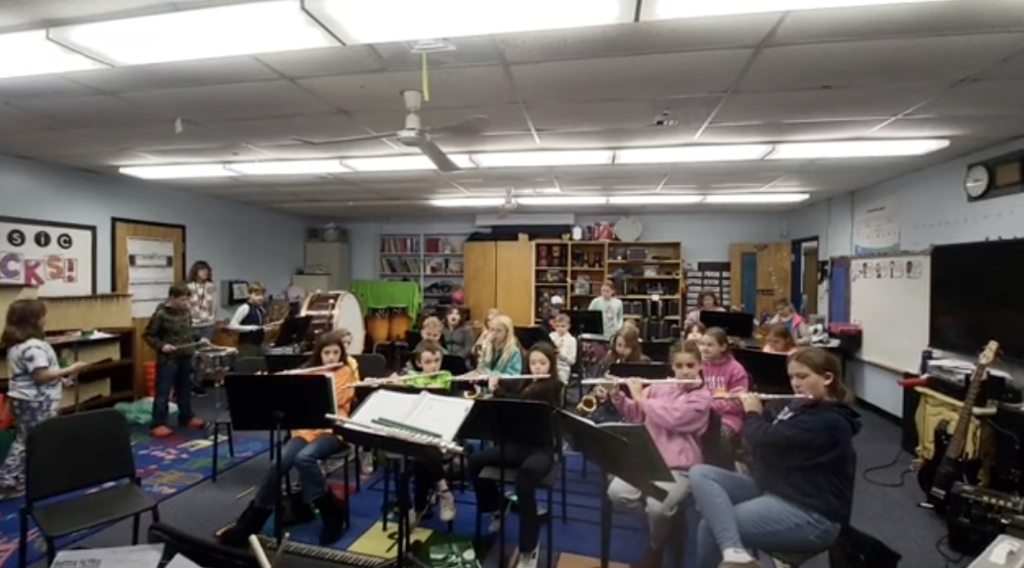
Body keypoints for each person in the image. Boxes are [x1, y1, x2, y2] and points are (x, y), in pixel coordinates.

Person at [689, 348, 859, 568]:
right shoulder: (798, 407)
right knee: (701, 473)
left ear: (827, 378)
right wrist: (762, 416)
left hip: (811, 513)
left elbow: (761, 438)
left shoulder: (830, 421)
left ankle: (734, 552)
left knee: (712, 526)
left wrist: (752, 412)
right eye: (792, 377)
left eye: (803, 377)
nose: (795, 384)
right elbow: (764, 435)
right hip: (777, 488)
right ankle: (735, 552)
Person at [219, 331, 356, 547]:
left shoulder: (345, 372)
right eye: (326, 353)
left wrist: (313, 386)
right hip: (304, 429)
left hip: (331, 429)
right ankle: (252, 521)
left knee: (304, 458)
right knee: (279, 463)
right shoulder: (307, 371)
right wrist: (272, 383)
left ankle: (331, 513)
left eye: (335, 353)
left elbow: (333, 400)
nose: (331, 357)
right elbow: (287, 399)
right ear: (319, 354)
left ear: (341, 354)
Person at [606, 340, 712, 568]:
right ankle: (665, 526)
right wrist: (617, 395)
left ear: (700, 366)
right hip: (648, 458)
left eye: (690, 365)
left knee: (658, 507)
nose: (685, 371)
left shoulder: (702, 397)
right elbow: (636, 414)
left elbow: (675, 419)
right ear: (672, 367)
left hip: (679, 467)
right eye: (679, 366)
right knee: (616, 493)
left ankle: (655, 547)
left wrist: (641, 399)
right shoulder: (659, 387)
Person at [470, 343, 562, 568]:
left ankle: (529, 548)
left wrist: (497, 390)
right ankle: (496, 505)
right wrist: (492, 384)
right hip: (517, 445)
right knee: (475, 461)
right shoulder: (524, 383)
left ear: (550, 365)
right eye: (533, 363)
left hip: (541, 449)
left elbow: (520, 404)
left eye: (542, 363)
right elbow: (511, 400)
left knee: (525, 481)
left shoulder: (552, 386)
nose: (537, 367)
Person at [0, 300, 89, 499]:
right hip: (35, 401)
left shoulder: (17, 345)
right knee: (26, 440)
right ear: (34, 320)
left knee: (30, 439)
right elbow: (41, 376)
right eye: (42, 316)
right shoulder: (33, 347)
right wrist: (70, 369)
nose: (45, 320)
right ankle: (6, 483)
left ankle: (23, 477)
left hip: (25, 399)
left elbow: (32, 375)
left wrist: (62, 379)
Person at [401, 341, 457, 525]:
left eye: (437, 360)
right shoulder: (411, 378)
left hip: (441, 429)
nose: (434, 366)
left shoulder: (446, 377)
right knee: (422, 454)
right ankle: (443, 491)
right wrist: (394, 383)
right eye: (428, 362)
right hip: (416, 429)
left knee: (423, 455)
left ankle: (420, 506)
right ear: (419, 363)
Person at [144, 284, 207, 438]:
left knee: (184, 389)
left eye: (187, 299)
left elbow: (188, 332)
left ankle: (186, 416)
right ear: (172, 298)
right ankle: (158, 423)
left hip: (185, 355)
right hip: (168, 359)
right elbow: (148, 335)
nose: (186, 303)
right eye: (183, 300)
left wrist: (199, 339)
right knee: (163, 391)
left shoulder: (186, 312)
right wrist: (162, 346)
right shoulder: (160, 314)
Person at [698, 327, 749, 445]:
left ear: (723, 347)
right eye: (702, 344)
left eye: (710, 345)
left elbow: (737, 403)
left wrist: (708, 405)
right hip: (701, 415)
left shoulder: (736, 369)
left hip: (728, 418)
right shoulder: (698, 365)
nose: (704, 348)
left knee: (718, 436)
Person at [588, 326, 648, 423]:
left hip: (630, 408)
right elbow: (595, 384)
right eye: (619, 345)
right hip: (607, 407)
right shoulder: (607, 360)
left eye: (627, 347)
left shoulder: (643, 363)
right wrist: (598, 392)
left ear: (634, 347)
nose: (622, 350)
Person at [186, 260, 216, 397]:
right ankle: (189, 383)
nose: (205, 272)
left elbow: (214, 304)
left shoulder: (211, 287)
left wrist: (213, 319)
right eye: (202, 270)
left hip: (207, 324)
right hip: (192, 324)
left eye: (207, 270)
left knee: (203, 356)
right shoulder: (188, 287)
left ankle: (198, 383)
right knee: (191, 356)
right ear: (195, 271)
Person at [476, 315, 523, 397]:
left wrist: (490, 374)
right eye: (492, 330)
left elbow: (514, 376)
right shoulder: (488, 348)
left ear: (507, 333)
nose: (494, 334)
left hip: (503, 391)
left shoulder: (514, 351)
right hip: (486, 389)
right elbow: (483, 368)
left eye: (499, 331)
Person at [227, 282, 277, 358]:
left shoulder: (261, 309)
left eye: (262, 295)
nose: (260, 298)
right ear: (249, 295)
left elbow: (260, 326)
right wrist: (250, 328)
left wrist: (266, 329)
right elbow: (232, 326)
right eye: (257, 295)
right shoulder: (244, 308)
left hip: (259, 345)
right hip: (247, 346)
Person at [549, 313, 577, 384]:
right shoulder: (551, 336)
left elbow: (572, 361)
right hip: (550, 365)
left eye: (563, 326)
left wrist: (561, 356)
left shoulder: (571, 340)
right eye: (557, 326)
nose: (560, 329)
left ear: (568, 326)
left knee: (560, 383)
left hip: (563, 367)